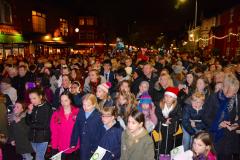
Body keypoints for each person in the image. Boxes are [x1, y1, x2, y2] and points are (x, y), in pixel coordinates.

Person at [203, 73, 240, 160]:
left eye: (235, 92)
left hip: (229, 139)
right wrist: (218, 124)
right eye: (231, 92)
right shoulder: (213, 98)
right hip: (214, 137)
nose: (233, 94)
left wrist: (236, 125)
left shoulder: (237, 99)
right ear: (224, 87)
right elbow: (205, 117)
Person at [70, 94, 105, 160]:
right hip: (83, 146)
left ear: (94, 105)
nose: (85, 107)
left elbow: (100, 134)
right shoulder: (81, 112)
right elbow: (76, 128)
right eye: (84, 105)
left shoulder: (99, 116)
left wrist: (96, 148)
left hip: (94, 147)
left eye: (88, 105)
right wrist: (73, 142)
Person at [50, 92, 79, 160]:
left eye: (66, 100)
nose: (63, 103)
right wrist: (54, 148)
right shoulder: (56, 114)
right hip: (61, 147)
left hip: (75, 147)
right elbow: (54, 132)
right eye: (62, 100)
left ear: (70, 100)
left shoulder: (77, 112)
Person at [26, 89, 53, 160]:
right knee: (39, 157)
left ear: (40, 97)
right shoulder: (32, 107)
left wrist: (32, 125)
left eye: (34, 98)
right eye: (30, 99)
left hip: (43, 138)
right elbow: (27, 122)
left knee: (39, 158)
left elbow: (46, 125)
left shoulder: (47, 107)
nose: (32, 101)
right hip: (32, 137)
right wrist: (29, 112)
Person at [155, 87, 182, 154]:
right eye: (166, 96)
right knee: (166, 138)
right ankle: (164, 153)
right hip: (161, 124)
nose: (167, 98)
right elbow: (158, 114)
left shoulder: (177, 106)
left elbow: (179, 115)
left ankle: (165, 153)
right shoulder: (160, 104)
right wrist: (164, 120)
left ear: (174, 99)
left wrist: (170, 120)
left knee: (168, 138)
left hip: (172, 125)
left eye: (170, 97)